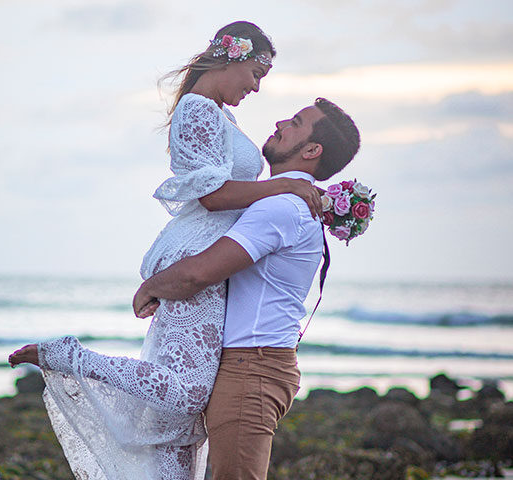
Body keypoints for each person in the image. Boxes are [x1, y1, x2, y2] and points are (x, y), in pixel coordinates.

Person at [8, 21, 323, 480]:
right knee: (187, 396)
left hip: (212, 260)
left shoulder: (221, 116)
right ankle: (66, 355)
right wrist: (284, 186)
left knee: (184, 421)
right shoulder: (196, 110)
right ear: (231, 57)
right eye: (256, 74)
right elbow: (212, 197)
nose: (256, 88)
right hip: (197, 255)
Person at [133, 98, 361, 479]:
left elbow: (200, 273)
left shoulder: (283, 207)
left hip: (250, 371)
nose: (281, 122)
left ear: (311, 150)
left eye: (296, 122)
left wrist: (152, 287)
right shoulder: (282, 199)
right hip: (252, 365)